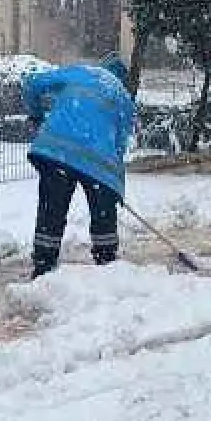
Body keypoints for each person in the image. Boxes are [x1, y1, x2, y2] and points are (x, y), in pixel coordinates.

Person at [23, 53, 137, 278]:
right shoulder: (124, 99)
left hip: (56, 152)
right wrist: (115, 190)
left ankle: (43, 265)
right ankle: (107, 264)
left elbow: (32, 83)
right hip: (97, 162)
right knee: (103, 212)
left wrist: (36, 116)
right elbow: (119, 149)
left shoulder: (82, 72)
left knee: (51, 210)